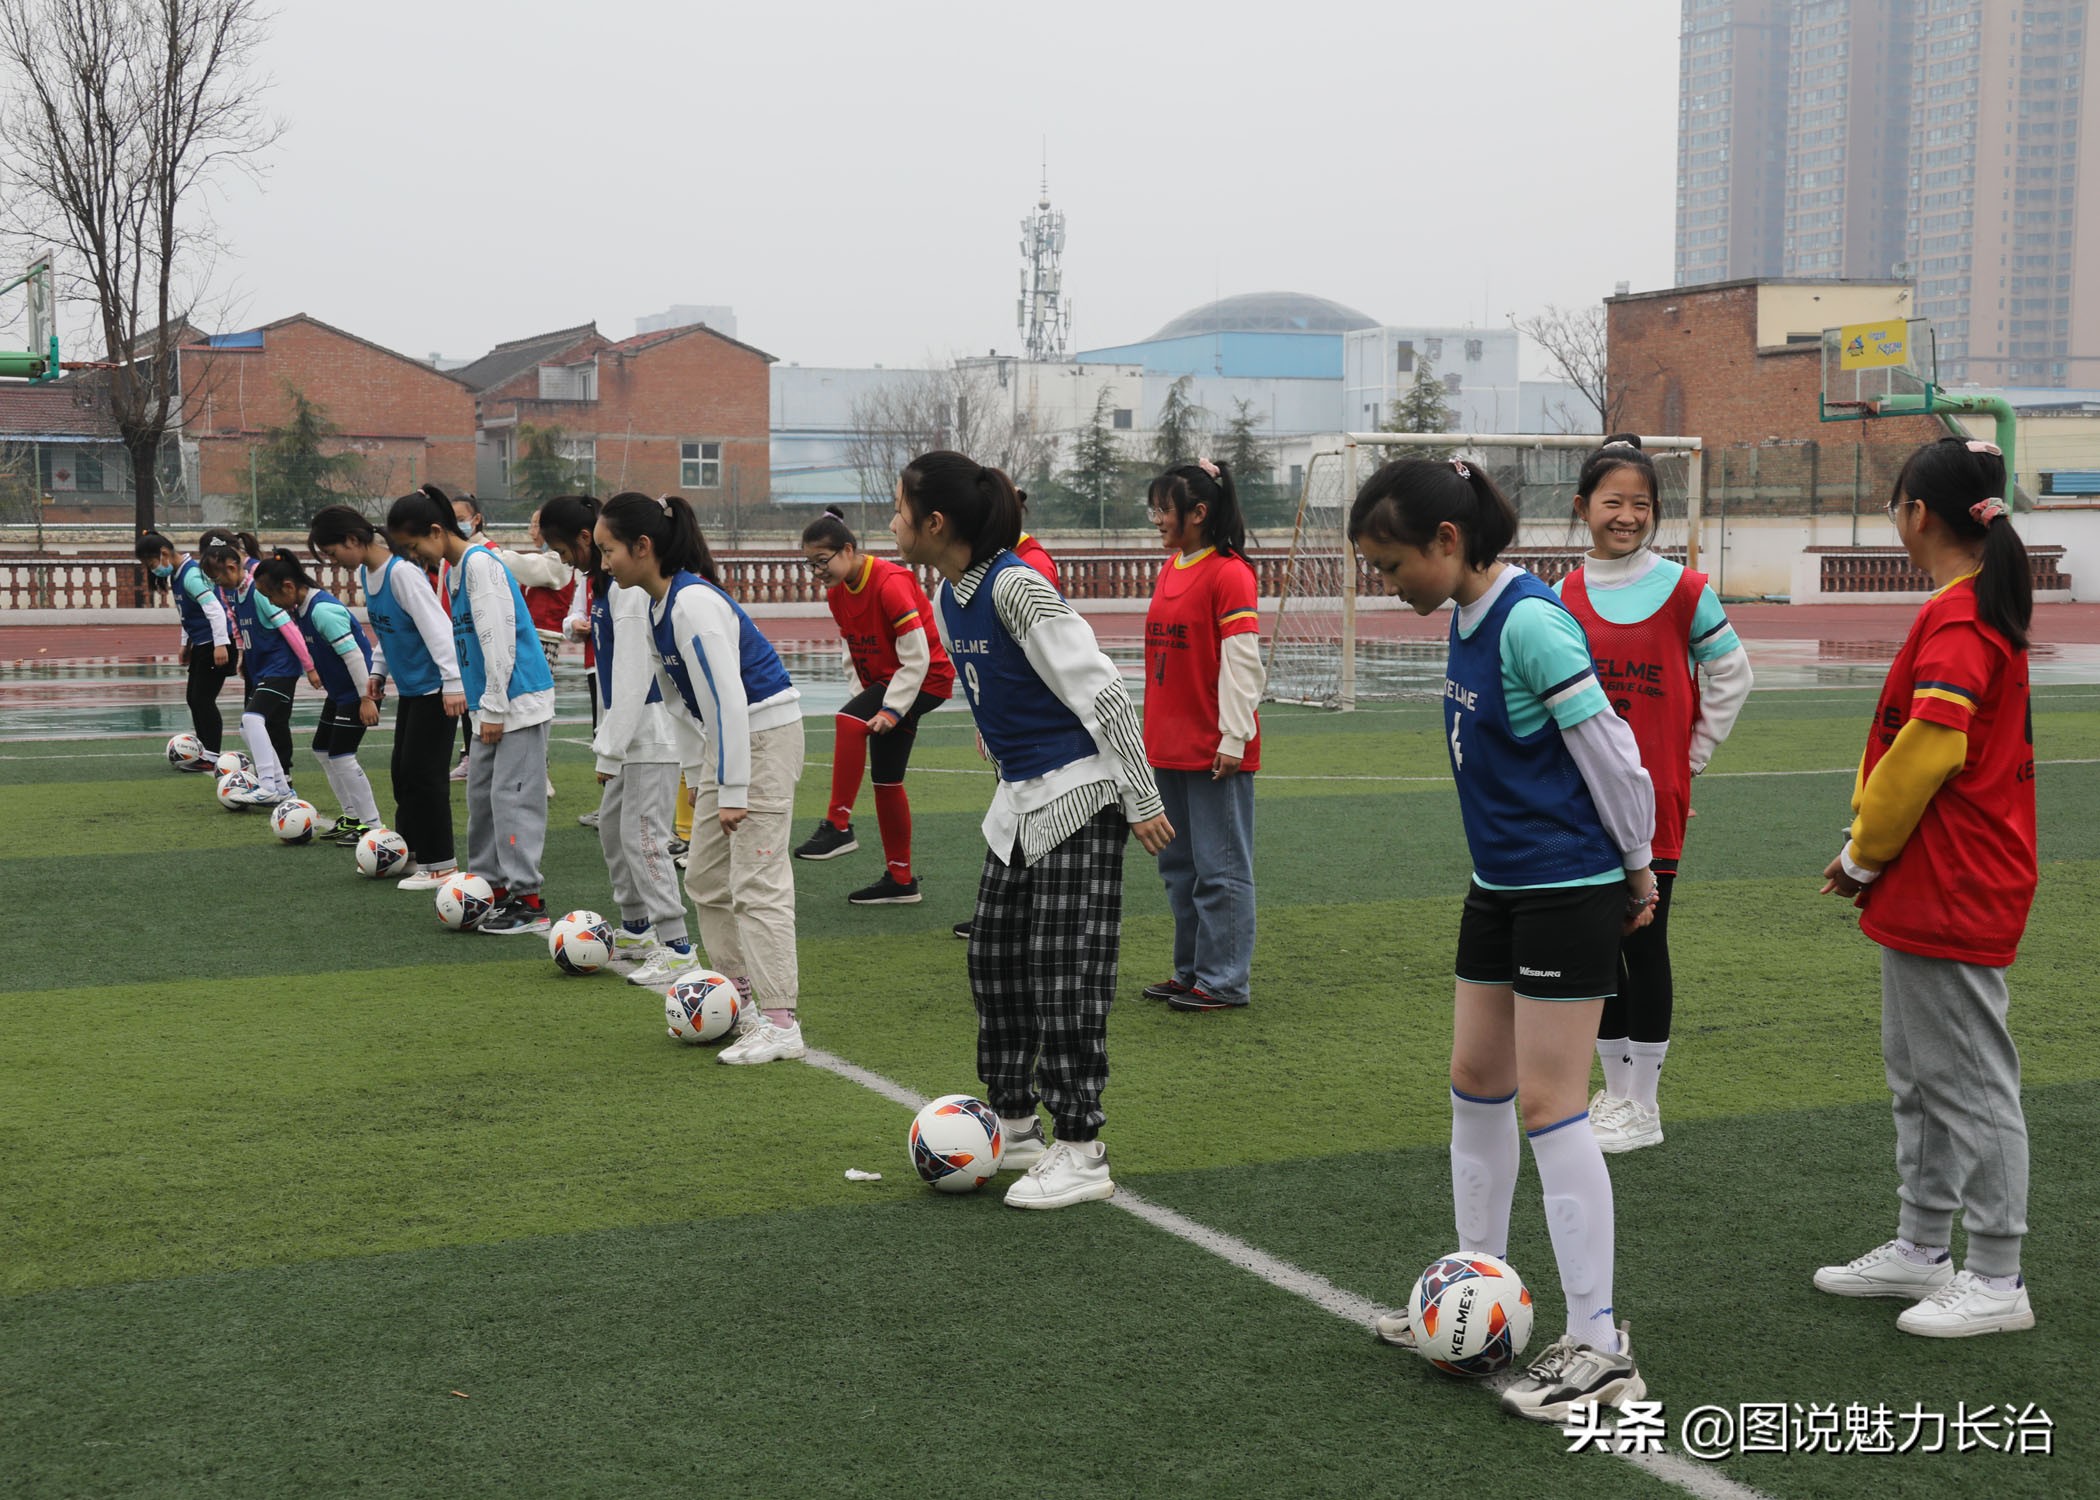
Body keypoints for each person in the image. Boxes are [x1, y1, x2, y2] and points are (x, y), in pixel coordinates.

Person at [1347, 457, 1656, 1423]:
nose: (1383, 584)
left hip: (1568, 891)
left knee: (1554, 1105)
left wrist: (1637, 865)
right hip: (1501, 890)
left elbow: (1609, 751)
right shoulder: (1468, 617)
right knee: (1476, 1081)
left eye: (1391, 565)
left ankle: (1602, 1348)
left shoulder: (1529, 619)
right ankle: (1469, 1292)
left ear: (1448, 542)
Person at [895, 451, 1173, 1210]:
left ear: (936, 522)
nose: (891, 523)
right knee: (993, 961)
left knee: (1065, 978)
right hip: (1018, 806)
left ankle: (1082, 1147)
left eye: (898, 508)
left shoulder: (1018, 587)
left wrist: (1143, 799)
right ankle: (1014, 1124)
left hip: (1080, 799)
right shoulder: (952, 594)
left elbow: (1104, 693)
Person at [1812, 437, 2038, 1338]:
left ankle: (1997, 1274)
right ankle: (1921, 1246)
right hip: (1931, 875)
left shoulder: (1959, 616)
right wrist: (1872, 851)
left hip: (1954, 879)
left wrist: (1864, 850)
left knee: (1971, 1083)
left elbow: (1934, 746)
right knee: (1921, 1075)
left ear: (1916, 514)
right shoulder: (1963, 605)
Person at [1556, 436, 1752, 1150]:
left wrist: (1690, 754)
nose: (1628, 515)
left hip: (1651, 799)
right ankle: (1613, 1094)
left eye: (1641, 503)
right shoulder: (1563, 596)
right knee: (1598, 941)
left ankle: (1645, 1102)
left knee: (1647, 938)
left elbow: (1733, 673)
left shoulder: (1685, 589)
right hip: (1580, 799)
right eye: (1614, 501)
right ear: (1583, 508)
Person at [596, 492, 807, 1065]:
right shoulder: (655, 608)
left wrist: (732, 788)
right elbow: (681, 704)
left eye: (609, 549)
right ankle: (737, 1000)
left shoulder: (692, 603)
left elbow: (729, 700)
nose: (603, 562)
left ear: (643, 547)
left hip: (760, 739)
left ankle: (782, 1022)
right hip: (726, 748)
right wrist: (699, 776)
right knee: (708, 879)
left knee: (757, 884)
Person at [541, 495, 695, 986]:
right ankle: (635, 931)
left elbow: (633, 676)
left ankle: (677, 947)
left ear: (588, 539)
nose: (563, 560)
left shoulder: (628, 592)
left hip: (650, 735)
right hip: (630, 733)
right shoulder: (603, 585)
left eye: (564, 549)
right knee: (614, 827)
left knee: (645, 837)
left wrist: (610, 746)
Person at [388, 488, 556, 936]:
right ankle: (490, 888)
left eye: (413, 546)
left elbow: (497, 640)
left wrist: (496, 706)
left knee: (512, 800)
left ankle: (530, 900)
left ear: (438, 531)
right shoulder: (454, 568)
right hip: (490, 706)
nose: (414, 557)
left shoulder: (481, 565)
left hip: (516, 702)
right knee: (481, 798)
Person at [1139, 459, 1265, 1013]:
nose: (1157, 519)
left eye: (1165, 509)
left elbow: (1242, 662)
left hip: (1216, 749)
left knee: (1222, 870)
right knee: (1179, 869)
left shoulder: (1230, 572)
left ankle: (1224, 981)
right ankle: (1191, 971)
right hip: (1166, 746)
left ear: (1198, 513)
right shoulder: (1172, 568)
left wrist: (1234, 736)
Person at [794, 505, 957, 905]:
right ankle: (901, 881)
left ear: (848, 549)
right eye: (810, 564)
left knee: (849, 720)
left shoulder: (889, 582)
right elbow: (854, 652)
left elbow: (918, 656)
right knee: (887, 780)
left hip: (925, 679)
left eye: (822, 561)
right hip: (892, 681)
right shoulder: (838, 594)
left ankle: (839, 824)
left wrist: (891, 708)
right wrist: (867, 702)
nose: (818, 572)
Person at [308, 504, 464, 892]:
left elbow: (438, 631)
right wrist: (377, 672)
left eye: (333, 553)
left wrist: (453, 684)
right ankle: (409, 853)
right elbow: (386, 631)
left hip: (435, 691)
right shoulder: (368, 572)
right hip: (412, 691)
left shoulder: (402, 575)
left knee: (425, 777)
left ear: (353, 540)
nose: (335, 562)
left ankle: (441, 863)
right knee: (402, 773)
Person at [953, 503, 1060, 941]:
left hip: (1038, 735)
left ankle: (1021, 915)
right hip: (1009, 727)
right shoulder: (969, 579)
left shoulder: (1025, 569)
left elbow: (1037, 656)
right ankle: (1009, 913)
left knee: (1030, 818)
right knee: (1009, 817)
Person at [253, 549, 384, 845]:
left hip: (355, 692)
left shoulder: (322, 610)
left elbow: (354, 657)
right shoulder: (301, 608)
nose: (271, 603)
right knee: (322, 750)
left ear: (288, 587)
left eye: (269, 595)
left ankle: (373, 827)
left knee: (342, 755)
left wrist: (367, 699)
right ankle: (352, 817)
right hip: (340, 693)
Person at [201, 541, 317, 807]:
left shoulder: (258, 592)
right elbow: (237, 625)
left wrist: (310, 666)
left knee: (253, 720)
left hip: (281, 668)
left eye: (216, 577)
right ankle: (282, 789)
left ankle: (267, 784)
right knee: (248, 727)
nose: (215, 583)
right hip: (260, 667)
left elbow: (288, 628)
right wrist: (242, 654)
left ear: (232, 567)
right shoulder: (231, 593)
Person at [135, 530, 235, 767]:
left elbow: (215, 610)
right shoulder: (177, 575)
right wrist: (185, 644)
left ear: (164, 553)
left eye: (151, 563)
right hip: (202, 644)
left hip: (215, 644)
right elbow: (187, 615)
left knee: (203, 700)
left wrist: (221, 645)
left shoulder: (191, 575)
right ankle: (204, 750)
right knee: (194, 698)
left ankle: (211, 755)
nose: (152, 569)